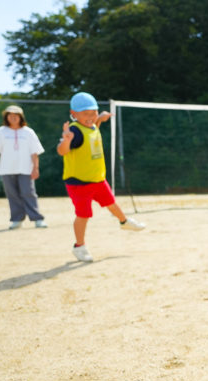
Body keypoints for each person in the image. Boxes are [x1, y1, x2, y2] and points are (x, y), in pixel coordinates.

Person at [57, 92, 145, 263]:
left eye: (93, 113)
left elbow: (93, 126)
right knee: (83, 214)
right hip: (79, 183)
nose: (90, 117)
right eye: (85, 114)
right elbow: (62, 151)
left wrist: (101, 119)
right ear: (73, 114)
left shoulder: (91, 126)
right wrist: (66, 140)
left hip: (97, 179)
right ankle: (79, 246)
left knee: (111, 203)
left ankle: (124, 222)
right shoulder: (74, 131)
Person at [0, 105, 47, 229]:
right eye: (10, 115)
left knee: (28, 192)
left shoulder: (28, 132)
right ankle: (17, 219)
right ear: (6, 117)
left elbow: (34, 152)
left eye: (16, 115)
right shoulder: (1, 131)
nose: (13, 117)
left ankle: (37, 219)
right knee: (12, 194)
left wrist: (35, 167)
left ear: (21, 117)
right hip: (6, 169)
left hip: (26, 169)